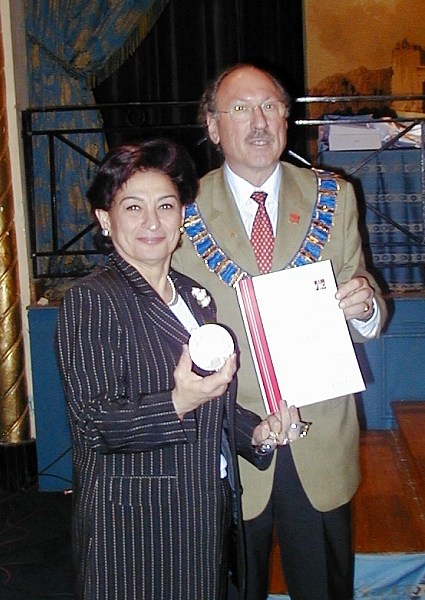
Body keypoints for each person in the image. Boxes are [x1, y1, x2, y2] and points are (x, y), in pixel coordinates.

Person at [173, 64, 388, 600]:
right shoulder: (181, 210)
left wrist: (364, 307)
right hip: (228, 440)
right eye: (240, 108)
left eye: (270, 106)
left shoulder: (334, 198)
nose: (258, 121)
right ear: (213, 126)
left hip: (319, 439)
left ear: (286, 119)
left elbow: (365, 306)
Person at [55, 138, 303, 600]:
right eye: (133, 207)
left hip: (202, 515)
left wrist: (258, 432)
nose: (152, 222)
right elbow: (94, 424)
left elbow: (210, 400)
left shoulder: (194, 296)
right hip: (135, 529)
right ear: (105, 220)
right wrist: (176, 402)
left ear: (182, 217)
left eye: (166, 206)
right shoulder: (93, 300)